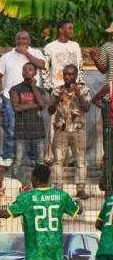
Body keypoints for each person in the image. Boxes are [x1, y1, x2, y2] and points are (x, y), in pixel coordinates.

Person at [0, 31, 45, 160]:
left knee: (32, 129)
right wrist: (1, 93)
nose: (22, 41)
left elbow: (42, 65)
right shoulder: (6, 56)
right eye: (19, 39)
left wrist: (26, 53)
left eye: (25, 39)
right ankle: (9, 158)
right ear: (15, 40)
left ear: (29, 40)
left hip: (32, 96)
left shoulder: (36, 53)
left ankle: (31, 160)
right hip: (10, 97)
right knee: (11, 128)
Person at [49, 64, 90, 198]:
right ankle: (57, 188)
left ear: (76, 75)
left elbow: (87, 107)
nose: (68, 77)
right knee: (58, 160)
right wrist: (55, 100)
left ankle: (81, 189)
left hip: (78, 130)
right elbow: (50, 111)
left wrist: (78, 93)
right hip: (61, 131)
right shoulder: (57, 91)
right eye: (66, 74)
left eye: (71, 74)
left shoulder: (83, 89)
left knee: (80, 160)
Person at [11, 62, 47, 182]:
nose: (27, 71)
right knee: (18, 161)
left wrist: (33, 87)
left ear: (35, 73)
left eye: (30, 69)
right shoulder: (15, 89)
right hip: (21, 132)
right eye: (24, 69)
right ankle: (16, 185)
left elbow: (42, 105)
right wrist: (35, 104)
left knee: (40, 162)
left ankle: (40, 185)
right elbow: (16, 107)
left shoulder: (40, 90)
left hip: (38, 131)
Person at [42, 20, 82, 90]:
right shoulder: (50, 47)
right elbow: (45, 70)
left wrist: (80, 84)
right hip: (57, 87)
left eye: (72, 28)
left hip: (74, 88)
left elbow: (80, 67)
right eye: (69, 28)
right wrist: (50, 88)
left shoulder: (76, 46)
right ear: (61, 30)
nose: (72, 31)